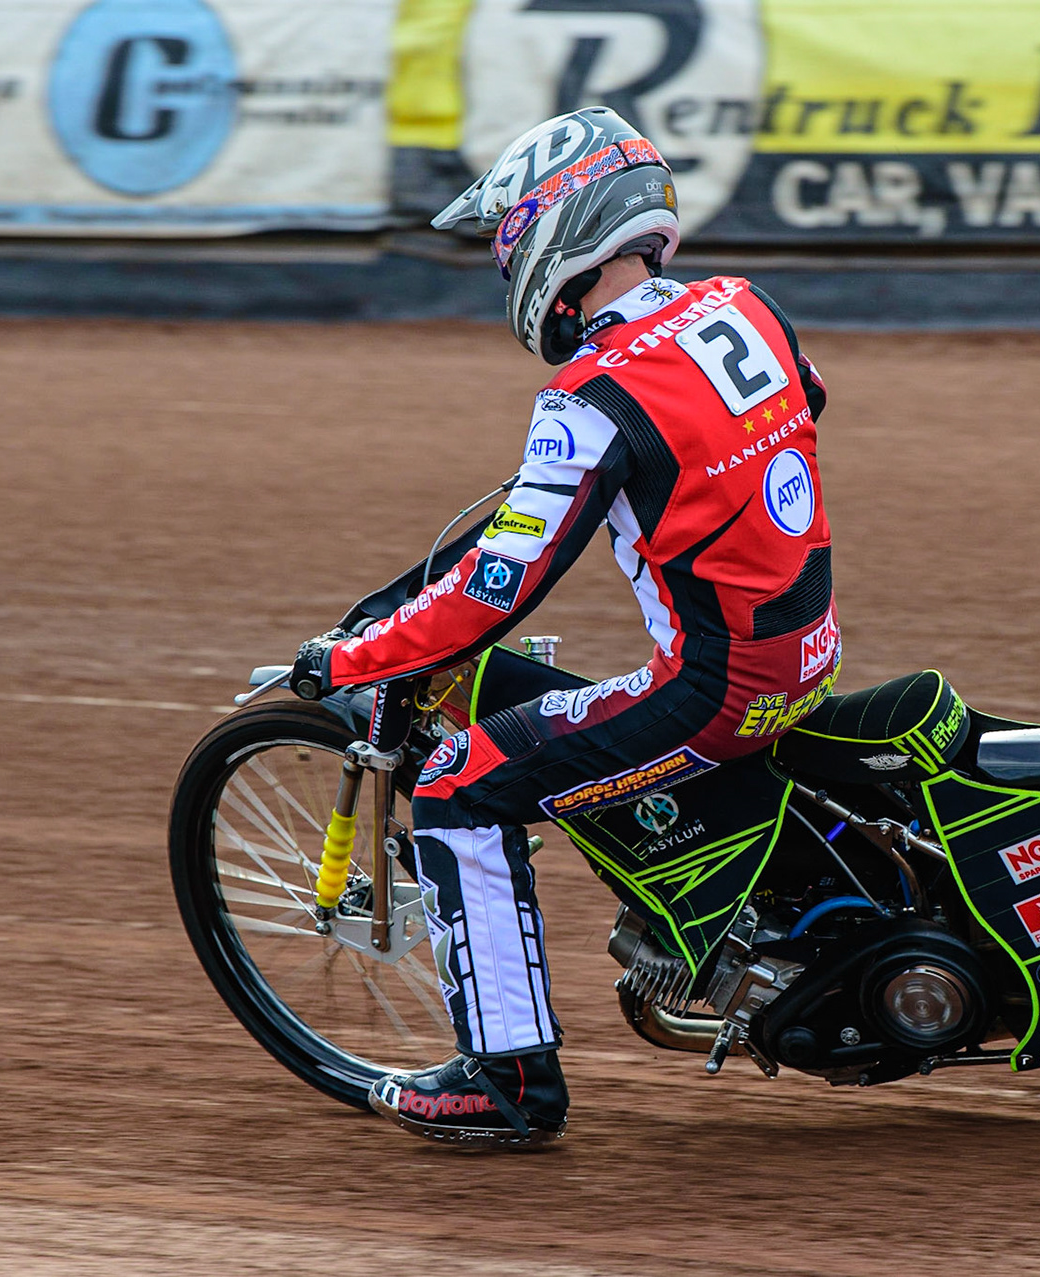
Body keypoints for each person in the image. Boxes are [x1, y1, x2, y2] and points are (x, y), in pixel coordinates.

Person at [287, 107, 838, 1147]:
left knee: (457, 785)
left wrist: (353, 655)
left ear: (559, 229)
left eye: (509, 240)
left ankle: (506, 1081)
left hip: (716, 688)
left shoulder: (590, 395)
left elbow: (497, 589)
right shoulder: (746, 307)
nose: (507, 264)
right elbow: (805, 400)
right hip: (806, 649)